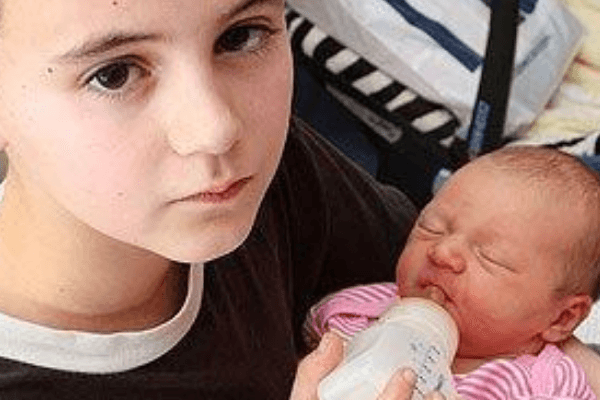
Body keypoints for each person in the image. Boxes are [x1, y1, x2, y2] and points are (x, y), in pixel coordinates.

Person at [0, 0, 448, 398]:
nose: (216, 129)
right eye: (114, 75)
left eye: (240, 36)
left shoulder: (265, 177)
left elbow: (454, 291)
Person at [305, 146, 600, 398]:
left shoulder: (545, 386)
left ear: (562, 317)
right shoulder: (356, 313)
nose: (442, 252)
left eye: (490, 256)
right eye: (431, 227)